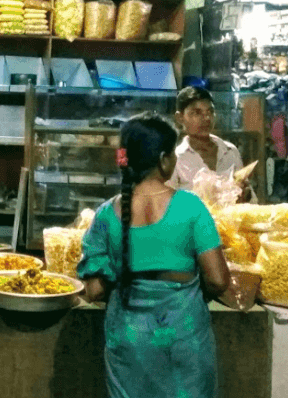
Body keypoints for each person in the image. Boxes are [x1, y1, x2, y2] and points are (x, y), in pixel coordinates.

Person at [76, 112, 230, 398]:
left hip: (128, 341)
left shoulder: (106, 215)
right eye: (172, 154)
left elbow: (95, 290)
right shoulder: (190, 207)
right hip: (184, 337)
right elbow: (219, 280)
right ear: (163, 160)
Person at [168, 86, 254, 202]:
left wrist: (246, 194)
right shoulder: (176, 158)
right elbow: (168, 206)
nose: (207, 118)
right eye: (196, 113)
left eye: (210, 111)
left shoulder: (230, 151)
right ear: (180, 118)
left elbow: (249, 197)